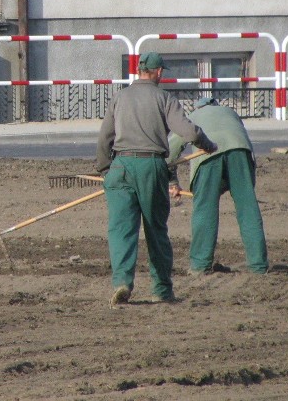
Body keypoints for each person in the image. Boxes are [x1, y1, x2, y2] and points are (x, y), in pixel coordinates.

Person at [96, 52, 217, 307]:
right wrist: (207, 144)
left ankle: (121, 283)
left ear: (139, 70)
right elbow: (188, 131)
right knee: (156, 231)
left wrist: (107, 171)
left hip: (120, 166)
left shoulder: (119, 97)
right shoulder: (164, 98)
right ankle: (161, 289)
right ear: (159, 72)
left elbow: (104, 137)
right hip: (151, 166)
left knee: (120, 231)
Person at [167, 97, 268, 275]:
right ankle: (258, 265)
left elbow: (169, 153)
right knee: (248, 209)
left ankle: (200, 265)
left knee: (205, 209)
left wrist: (172, 182)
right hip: (241, 153)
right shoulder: (230, 113)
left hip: (209, 156)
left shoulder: (192, 116)